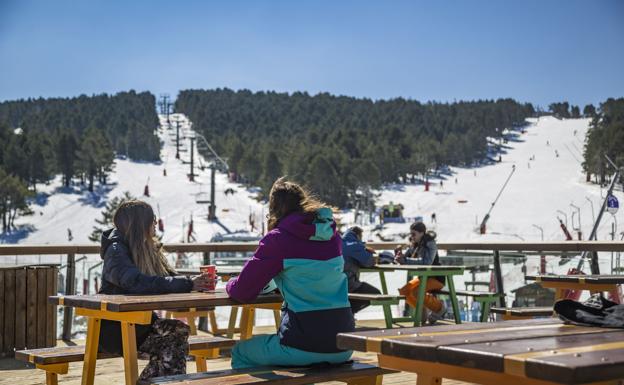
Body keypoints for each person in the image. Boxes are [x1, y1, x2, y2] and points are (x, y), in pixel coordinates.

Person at [226, 178, 354, 369]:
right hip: (344, 343)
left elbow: (241, 292)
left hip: (304, 342)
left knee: (242, 351)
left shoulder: (278, 239)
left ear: (273, 208)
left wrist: (230, 283)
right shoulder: (332, 236)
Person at [98, 200, 212, 380]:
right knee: (172, 344)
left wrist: (195, 282)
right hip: (115, 328)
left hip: (139, 325)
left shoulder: (144, 248)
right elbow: (135, 282)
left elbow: (166, 277)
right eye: (153, 220)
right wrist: (188, 283)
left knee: (179, 332)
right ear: (140, 223)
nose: (155, 224)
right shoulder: (116, 250)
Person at [394, 221, 446, 324]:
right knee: (404, 292)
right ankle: (422, 312)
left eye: (414, 234)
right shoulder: (415, 244)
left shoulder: (430, 243)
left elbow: (427, 262)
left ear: (422, 233)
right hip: (424, 277)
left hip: (435, 277)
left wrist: (405, 260)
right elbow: (406, 258)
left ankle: (439, 307)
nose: (412, 236)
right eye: (411, 234)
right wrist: (399, 255)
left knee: (417, 292)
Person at [342, 226, 381, 313]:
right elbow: (369, 262)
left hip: (332, 285)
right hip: (347, 285)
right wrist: (367, 251)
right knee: (375, 293)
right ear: (358, 235)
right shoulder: (354, 245)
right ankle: (347, 313)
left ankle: (346, 313)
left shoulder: (339, 242)